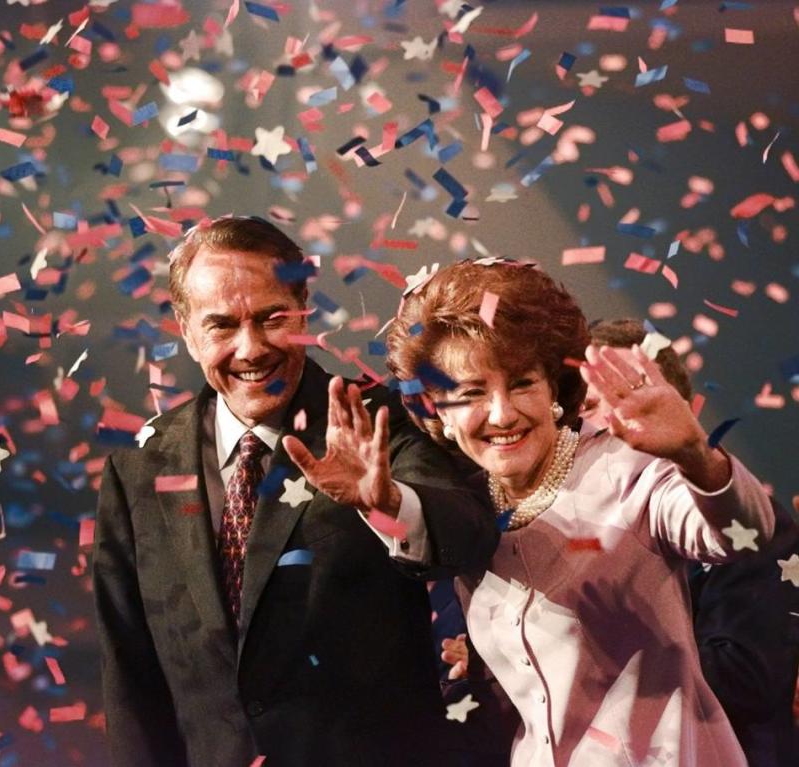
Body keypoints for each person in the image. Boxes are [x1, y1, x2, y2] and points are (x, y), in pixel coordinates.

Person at [92, 216, 498, 767]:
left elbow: (468, 532)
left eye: (271, 318)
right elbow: (130, 673)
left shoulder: (377, 419)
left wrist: (387, 506)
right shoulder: (138, 467)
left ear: (304, 308)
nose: (250, 348)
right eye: (221, 326)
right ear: (187, 332)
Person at [386, 258, 775, 766]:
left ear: (553, 387)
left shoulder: (624, 468)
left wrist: (695, 455)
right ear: (439, 409)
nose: (502, 413)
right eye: (472, 392)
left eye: (522, 383)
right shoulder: (468, 512)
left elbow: (743, 535)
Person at [585, 318, 799, 767]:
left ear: (678, 409)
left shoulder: (746, 525)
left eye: (626, 392)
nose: (604, 417)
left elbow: (746, 681)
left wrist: (586, 652)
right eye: (584, 403)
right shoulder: (569, 539)